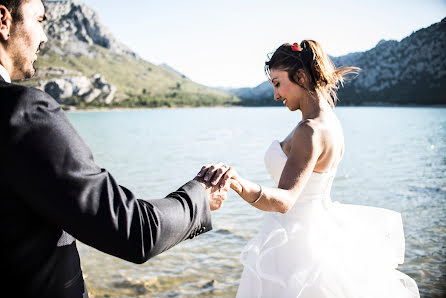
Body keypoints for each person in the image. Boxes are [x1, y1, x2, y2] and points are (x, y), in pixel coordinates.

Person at [0, 0, 228, 297]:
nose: (44, 37)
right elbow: (134, 232)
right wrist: (200, 195)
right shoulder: (21, 111)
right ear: (3, 20)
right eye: (40, 20)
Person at [198, 41, 420, 297]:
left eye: (278, 83)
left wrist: (236, 181)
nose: (276, 95)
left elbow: (285, 201)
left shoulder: (310, 129)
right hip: (317, 233)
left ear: (301, 76)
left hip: (295, 246)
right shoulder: (330, 122)